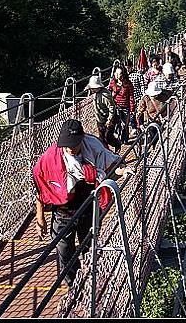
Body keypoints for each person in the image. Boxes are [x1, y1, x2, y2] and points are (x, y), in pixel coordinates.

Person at [33, 119, 133, 287]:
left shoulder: (92, 146)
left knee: (89, 245)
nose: (70, 149)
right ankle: (73, 285)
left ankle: (91, 282)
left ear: (82, 139)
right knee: (64, 251)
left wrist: (123, 170)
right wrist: (40, 217)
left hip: (88, 204)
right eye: (66, 145)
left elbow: (111, 163)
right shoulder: (50, 158)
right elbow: (41, 187)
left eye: (74, 144)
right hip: (63, 209)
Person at [85, 75, 119, 153]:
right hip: (100, 119)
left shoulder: (105, 95)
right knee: (102, 139)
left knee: (108, 137)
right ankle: (106, 152)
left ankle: (117, 144)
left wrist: (109, 120)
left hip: (108, 119)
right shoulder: (95, 94)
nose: (91, 90)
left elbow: (112, 107)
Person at [108, 66, 136, 142]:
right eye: (116, 73)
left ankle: (125, 139)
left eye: (119, 74)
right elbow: (108, 92)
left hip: (125, 106)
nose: (117, 75)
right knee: (117, 123)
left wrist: (132, 107)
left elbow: (131, 96)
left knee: (125, 125)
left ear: (123, 74)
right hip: (116, 106)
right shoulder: (113, 83)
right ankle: (117, 139)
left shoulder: (128, 84)